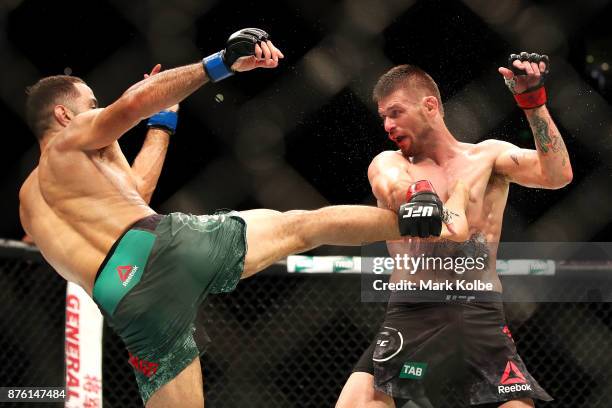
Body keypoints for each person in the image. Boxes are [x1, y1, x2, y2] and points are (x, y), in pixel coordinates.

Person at [18, 29, 470, 407]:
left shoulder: (29, 201)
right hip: (160, 249)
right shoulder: (71, 139)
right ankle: (419, 220)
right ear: (63, 114)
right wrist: (218, 63)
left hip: (125, 302)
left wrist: (162, 125)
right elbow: (131, 104)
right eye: (91, 102)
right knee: (300, 226)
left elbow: (135, 194)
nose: (98, 109)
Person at [336, 53, 572, 408]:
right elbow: (391, 186)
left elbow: (557, 175)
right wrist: (419, 194)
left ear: (430, 106)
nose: (387, 125)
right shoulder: (390, 162)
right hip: (413, 310)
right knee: (357, 404)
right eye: (383, 116)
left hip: (478, 309)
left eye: (396, 112)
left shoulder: (488, 157)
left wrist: (533, 105)